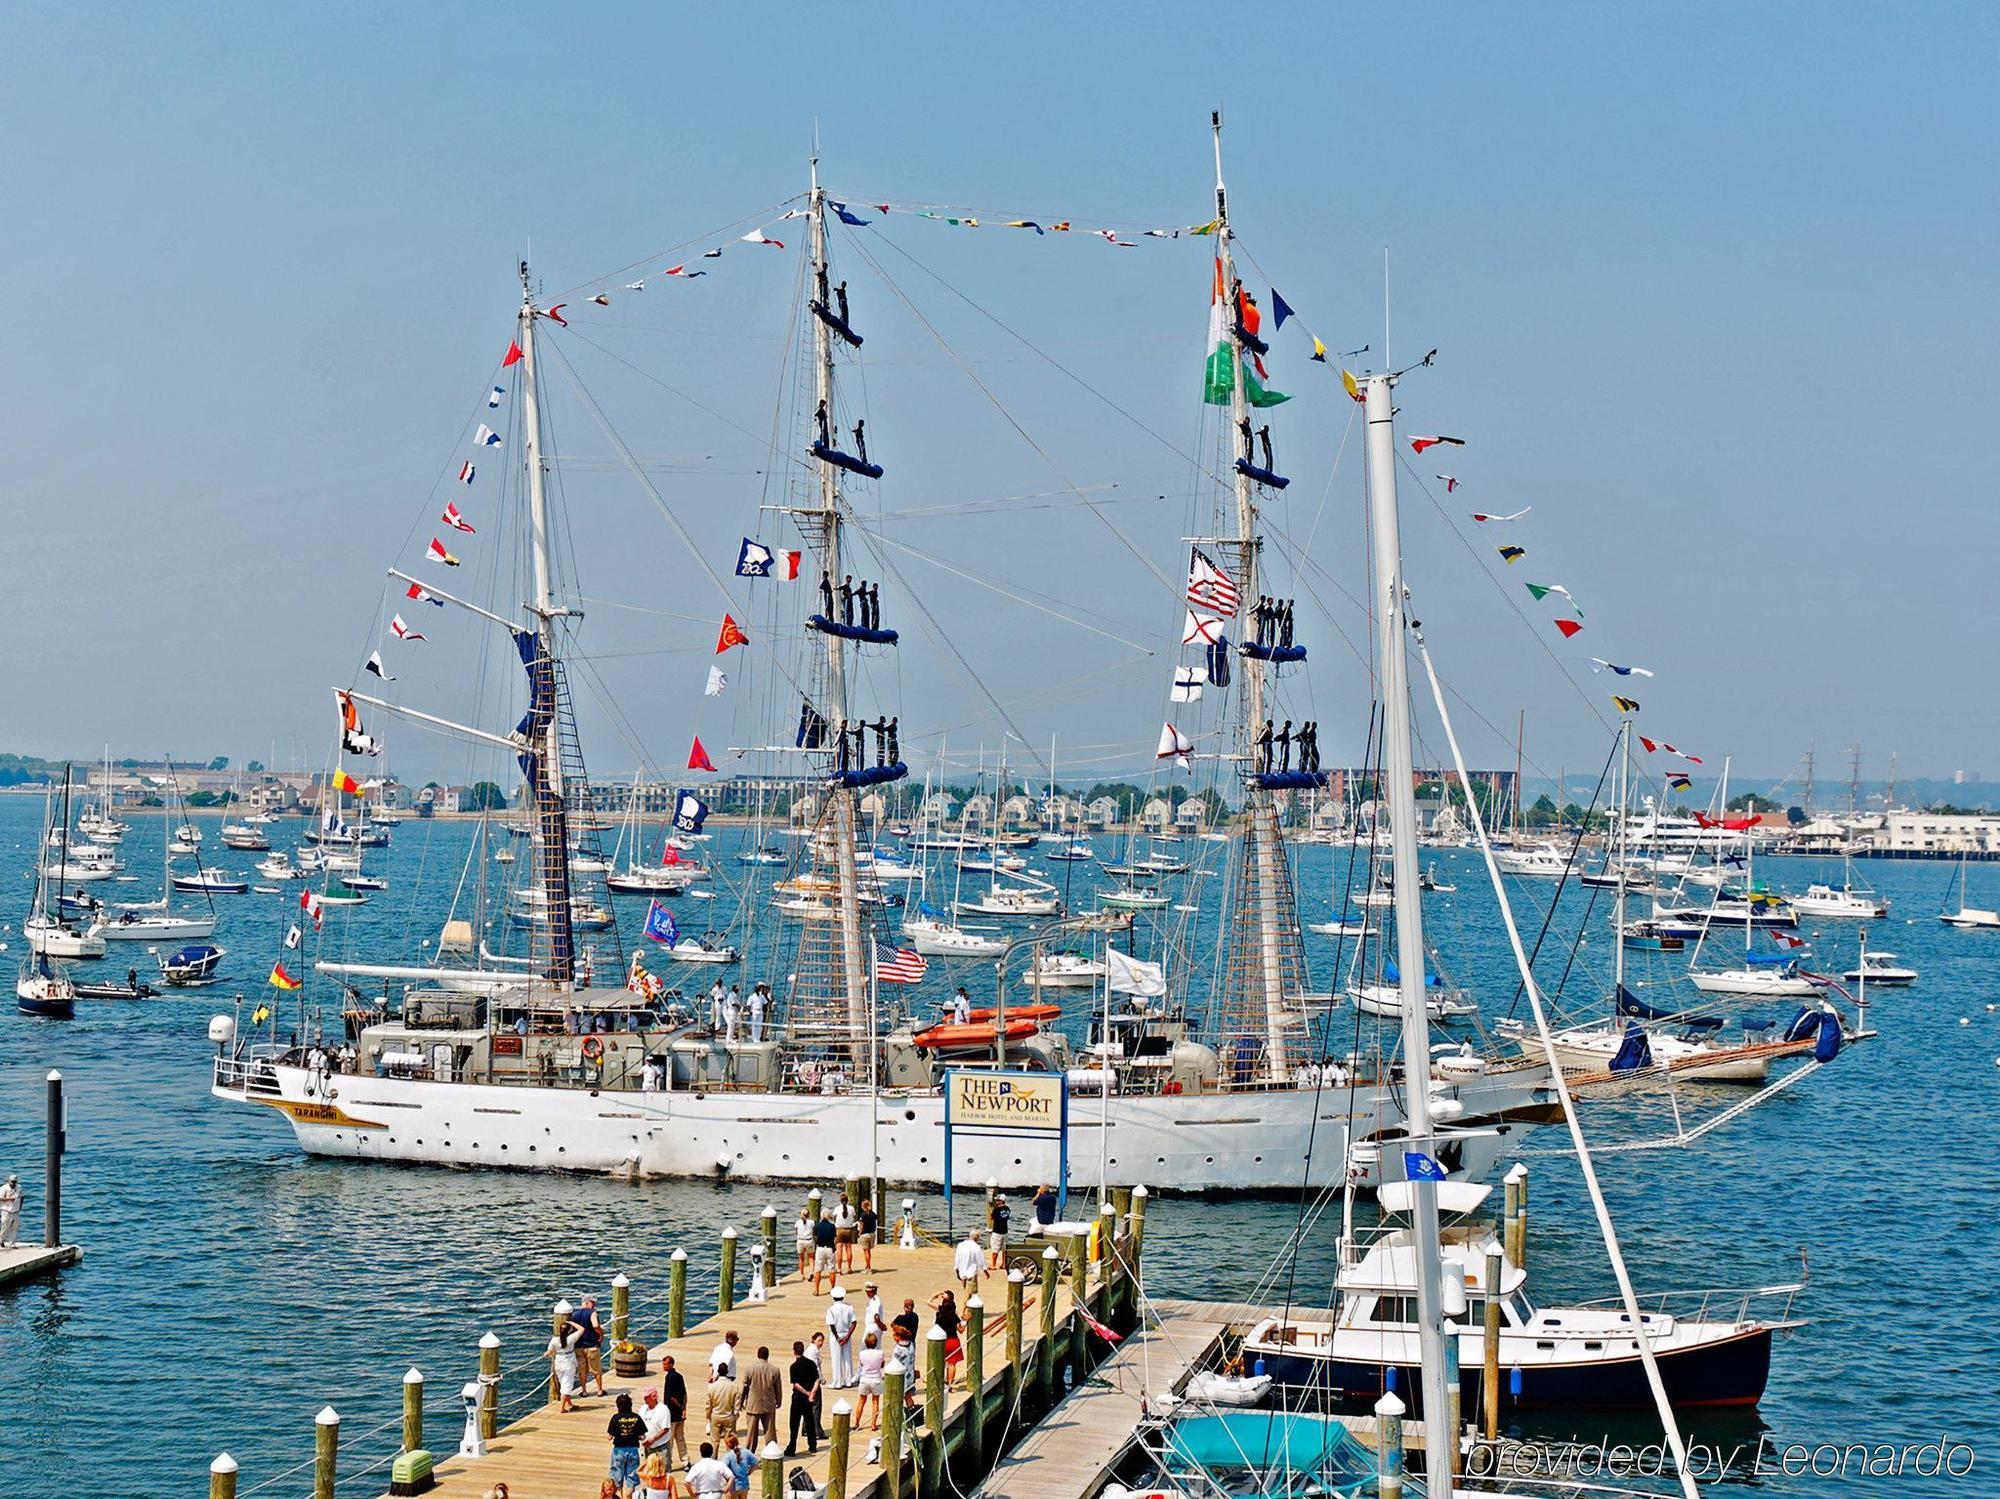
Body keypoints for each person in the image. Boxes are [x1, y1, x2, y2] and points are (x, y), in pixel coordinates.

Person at [738, 1344, 782, 1453]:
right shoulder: (774, 1370)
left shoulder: (749, 1369)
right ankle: (771, 1453)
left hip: (753, 1405)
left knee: (751, 1434)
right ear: (767, 1356)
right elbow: (778, 1388)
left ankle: (749, 1454)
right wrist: (778, 1400)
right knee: (770, 1433)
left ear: (758, 1355)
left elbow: (744, 1387)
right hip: (769, 1404)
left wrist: (740, 1402)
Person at [607, 1392, 647, 1498]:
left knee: (616, 1477)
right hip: (633, 1450)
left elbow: (609, 1436)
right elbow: (642, 1437)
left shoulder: (615, 1418)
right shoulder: (636, 1417)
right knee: (632, 1477)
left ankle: (619, 1496)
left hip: (618, 1450)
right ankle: (629, 1496)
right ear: (630, 1405)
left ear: (618, 1405)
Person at [784, 1339, 820, 1456]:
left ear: (794, 1351)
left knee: (794, 1424)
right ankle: (812, 1445)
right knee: (809, 1422)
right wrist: (812, 1393)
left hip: (798, 1399)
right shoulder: (811, 1364)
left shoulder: (794, 1366)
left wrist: (806, 1393)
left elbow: (796, 1385)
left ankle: (792, 1447)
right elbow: (816, 1380)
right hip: (808, 1400)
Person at [656, 1354, 691, 1468]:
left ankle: (667, 1464)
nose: (663, 1366)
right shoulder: (680, 1376)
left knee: (668, 1440)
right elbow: (684, 1394)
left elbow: (671, 1398)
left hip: (671, 1414)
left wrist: (680, 1408)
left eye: (665, 1364)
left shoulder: (669, 1378)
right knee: (680, 1439)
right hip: (680, 1415)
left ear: (671, 1364)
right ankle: (685, 1461)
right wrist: (684, 1409)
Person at [545, 1314, 584, 1414]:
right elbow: (581, 1329)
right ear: (569, 1330)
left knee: (564, 1383)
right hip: (568, 1364)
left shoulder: (554, 1340)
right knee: (567, 1386)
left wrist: (547, 1354)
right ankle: (562, 1408)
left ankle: (569, 1403)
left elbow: (549, 1351)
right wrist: (571, 1322)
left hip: (559, 1363)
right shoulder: (570, 1339)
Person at [825, 1284, 858, 1387]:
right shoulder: (849, 1307)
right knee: (847, 1358)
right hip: (846, 1333)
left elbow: (832, 1325)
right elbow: (854, 1322)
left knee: (836, 1358)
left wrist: (837, 1338)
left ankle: (837, 1382)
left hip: (837, 1335)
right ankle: (848, 1381)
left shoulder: (831, 1309)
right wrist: (847, 1336)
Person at [575, 1294, 608, 1397]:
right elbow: (595, 1325)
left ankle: (584, 1391)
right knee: (596, 1370)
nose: (594, 1305)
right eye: (593, 1303)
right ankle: (599, 1390)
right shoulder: (592, 1313)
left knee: (582, 1370)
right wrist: (601, 1334)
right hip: (591, 1346)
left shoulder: (574, 1314)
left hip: (579, 1346)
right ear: (587, 1302)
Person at [854, 1331, 886, 1431]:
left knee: (861, 1401)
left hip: (865, 1379)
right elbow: (882, 1365)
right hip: (876, 1378)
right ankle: (873, 1424)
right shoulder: (880, 1353)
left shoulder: (862, 1354)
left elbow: (862, 1364)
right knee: (875, 1402)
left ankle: (857, 1423)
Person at [703, 1365, 739, 1446]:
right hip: (729, 1416)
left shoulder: (712, 1386)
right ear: (727, 1372)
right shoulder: (734, 1386)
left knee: (714, 1442)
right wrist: (735, 1417)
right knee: (730, 1443)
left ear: (718, 1372)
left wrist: (708, 1416)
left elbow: (708, 1404)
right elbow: (737, 1405)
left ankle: (714, 1458)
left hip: (715, 1416)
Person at [811, 1207, 838, 1293]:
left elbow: (814, 1236)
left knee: (818, 1270)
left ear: (821, 1216)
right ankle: (833, 1289)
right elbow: (835, 1238)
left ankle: (817, 1290)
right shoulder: (832, 1226)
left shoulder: (817, 1225)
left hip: (820, 1248)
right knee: (832, 1270)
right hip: (830, 1248)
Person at [832, 1192, 859, 1274]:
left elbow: (834, 1218)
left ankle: (839, 1268)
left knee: (839, 1249)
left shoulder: (837, 1209)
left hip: (839, 1229)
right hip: (849, 1230)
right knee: (848, 1249)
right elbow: (854, 1217)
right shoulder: (851, 1208)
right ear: (847, 1200)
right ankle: (849, 1267)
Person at [953, 1226, 983, 1290]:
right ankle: (967, 1298)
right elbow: (980, 1260)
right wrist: (984, 1270)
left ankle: (966, 1295)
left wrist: (956, 1268)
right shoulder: (976, 1247)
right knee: (971, 1290)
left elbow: (957, 1257)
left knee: (965, 1287)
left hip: (962, 1268)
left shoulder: (960, 1245)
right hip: (971, 1271)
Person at [987, 1193, 1011, 1272]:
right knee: (1004, 1249)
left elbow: (991, 1218)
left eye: (998, 1200)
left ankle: (993, 1264)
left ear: (1001, 1201)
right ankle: (1004, 1264)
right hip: (1005, 1231)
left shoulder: (996, 1210)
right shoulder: (1007, 1209)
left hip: (997, 1232)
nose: (996, 1201)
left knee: (995, 1249)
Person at [857, 1197, 879, 1272]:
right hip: (872, 1234)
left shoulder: (862, 1215)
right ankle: (868, 1265)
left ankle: (868, 1268)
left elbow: (861, 1225)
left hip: (865, 1234)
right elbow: (876, 1217)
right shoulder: (873, 1214)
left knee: (865, 1251)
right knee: (869, 1251)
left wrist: (859, 1234)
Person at [794, 1205, 815, 1280]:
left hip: (800, 1240)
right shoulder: (812, 1222)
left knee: (801, 1259)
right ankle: (811, 1272)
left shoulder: (797, 1222)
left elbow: (796, 1232)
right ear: (809, 1214)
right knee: (811, 1258)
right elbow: (814, 1230)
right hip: (809, 1240)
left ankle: (801, 1274)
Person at [0, 1175, 19, 1249]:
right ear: (9, 1181)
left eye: (15, 1182)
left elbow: (22, 1196)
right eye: (12, 1182)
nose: (13, 1183)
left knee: (15, 1228)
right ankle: (1, 1240)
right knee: (5, 1227)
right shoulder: (3, 1188)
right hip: (6, 1210)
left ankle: (12, 1243)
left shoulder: (19, 1187)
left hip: (15, 1210)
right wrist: (9, 1199)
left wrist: (19, 1207)